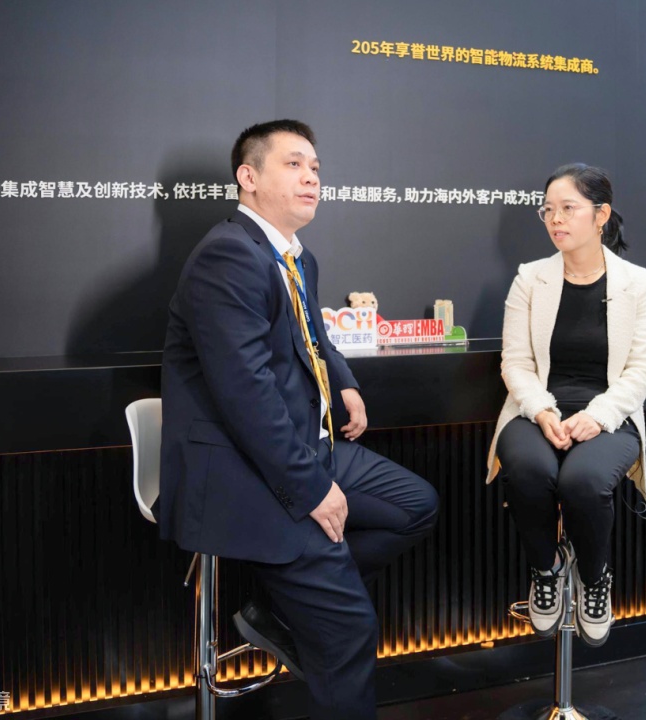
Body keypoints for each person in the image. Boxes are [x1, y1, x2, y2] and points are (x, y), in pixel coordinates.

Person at [159, 119, 438, 720]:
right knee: (350, 628)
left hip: (306, 446)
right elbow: (246, 394)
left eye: (315, 167)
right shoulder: (228, 255)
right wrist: (312, 489)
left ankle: (283, 609)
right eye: (293, 164)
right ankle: (316, 611)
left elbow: (313, 334)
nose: (311, 177)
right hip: (245, 466)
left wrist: (345, 382)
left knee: (415, 506)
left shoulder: (294, 256)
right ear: (248, 177)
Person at [485, 164, 646, 647]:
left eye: (568, 208)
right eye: (548, 210)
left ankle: (595, 578)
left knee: (583, 482)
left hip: (610, 414)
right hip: (534, 410)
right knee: (528, 470)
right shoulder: (530, 279)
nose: (555, 219)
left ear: (600, 215)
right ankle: (546, 569)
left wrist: (598, 416)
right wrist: (543, 411)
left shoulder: (638, 283)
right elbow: (515, 362)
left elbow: (642, 369)